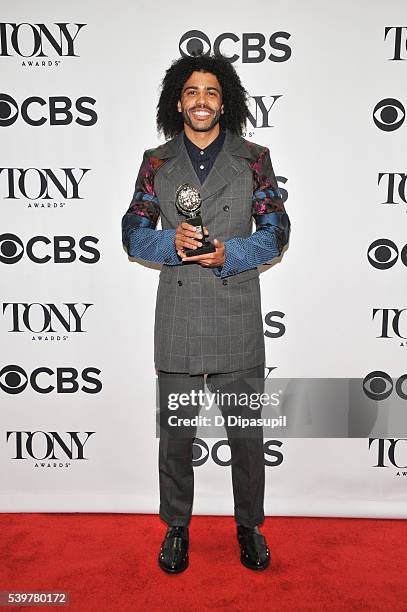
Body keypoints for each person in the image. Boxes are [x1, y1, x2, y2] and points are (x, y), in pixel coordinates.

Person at [121, 53, 290, 573]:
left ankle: (249, 527)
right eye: (192, 92)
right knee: (175, 438)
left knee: (245, 435)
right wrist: (171, 244)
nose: (201, 101)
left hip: (236, 310)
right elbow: (132, 231)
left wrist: (229, 254)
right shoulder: (156, 161)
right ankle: (176, 528)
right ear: (179, 101)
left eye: (211, 92)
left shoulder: (254, 157)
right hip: (177, 313)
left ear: (226, 102)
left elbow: (278, 232)